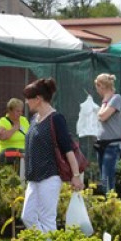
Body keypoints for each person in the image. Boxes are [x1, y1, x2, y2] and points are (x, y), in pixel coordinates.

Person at [20, 78, 83, 232]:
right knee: (27, 216)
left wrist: (76, 175)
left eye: (28, 98)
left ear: (38, 99)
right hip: (33, 176)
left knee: (47, 218)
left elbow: (68, 149)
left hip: (49, 176)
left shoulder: (56, 119)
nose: (26, 102)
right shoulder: (34, 119)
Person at [93, 73, 121, 193]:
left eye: (97, 88)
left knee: (107, 179)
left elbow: (102, 116)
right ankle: (107, 201)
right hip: (102, 144)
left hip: (112, 145)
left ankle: (110, 201)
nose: (97, 92)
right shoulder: (106, 102)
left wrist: (105, 101)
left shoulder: (116, 98)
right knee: (104, 179)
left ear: (101, 86)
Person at [0, 98, 28, 164]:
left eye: (21, 111)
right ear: (10, 111)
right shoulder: (3, 121)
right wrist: (14, 128)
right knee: (22, 155)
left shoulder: (24, 120)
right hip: (6, 151)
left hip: (23, 151)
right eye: (17, 111)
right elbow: (1, 136)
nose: (20, 113)